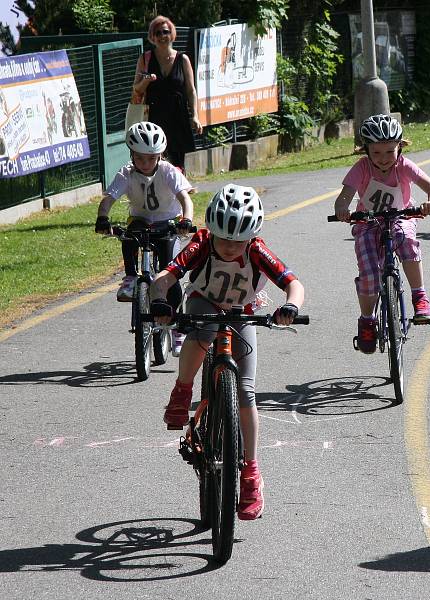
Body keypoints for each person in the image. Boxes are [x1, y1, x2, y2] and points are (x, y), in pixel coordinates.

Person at [150, 184, 305, 521]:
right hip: (203, 303)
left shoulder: (258, 251)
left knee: (246, 391)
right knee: (202, 329)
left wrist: (290, 306)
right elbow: (164, 277)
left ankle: (251, 474)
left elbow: (294, 283)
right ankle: (182, 391)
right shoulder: (201, 243)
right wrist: (160, 299)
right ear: (213, 231)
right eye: (224, 239)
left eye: (239, 241)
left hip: (241, 311)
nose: (231, 246)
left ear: (252, 237)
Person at [334, 114, 430, 353]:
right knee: (369, 274)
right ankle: (367, 320)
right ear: (366, 151)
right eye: (376, 153)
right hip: (368, 222)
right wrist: (342, 209)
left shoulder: (404, 165)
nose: (383, 159)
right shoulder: (361, 168)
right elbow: (344, 197)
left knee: (408, 241)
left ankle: (419, 296)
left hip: (401, 216)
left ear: (400, 148)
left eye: (389, 152)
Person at [94, 121, 193, 348]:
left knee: (171, 273)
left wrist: (186, 220)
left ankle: (177, 324)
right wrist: (102, 218)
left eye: (151, 158)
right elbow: (108, 200)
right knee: (129, 234)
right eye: (139, 158)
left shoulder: (169, 171)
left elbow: (185, 198)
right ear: (131, 154)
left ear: (160, 156)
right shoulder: (126, 173)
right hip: (141, 221)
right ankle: (130, 277)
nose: (145, 163)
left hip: (168, 223)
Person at [132, 15, 202, 171]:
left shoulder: (182, 59)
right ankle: (159, 187)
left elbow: (191, 91)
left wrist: (195, 116)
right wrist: (147, 81)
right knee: (157, 154)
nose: (162, 36)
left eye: (165, 32)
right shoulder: (145, 59)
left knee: (178, 157)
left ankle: (180, 188)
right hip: (155, 114)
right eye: (157, 33)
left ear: (172, 34)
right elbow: (136, 89)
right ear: (152, 36)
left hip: (178, 114)